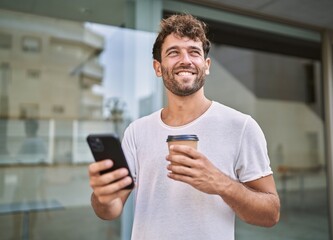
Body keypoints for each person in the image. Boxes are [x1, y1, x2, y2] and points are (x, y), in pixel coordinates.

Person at [88, 14, 280, 240]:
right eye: (173, 52)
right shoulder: (136, 132)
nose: (185, 60)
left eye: (194, 52)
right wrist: (102, 197)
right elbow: (110, 211)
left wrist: (222, 184)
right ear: (158, 68)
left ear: (206, 66)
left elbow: (271, 214)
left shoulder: (241, 126)